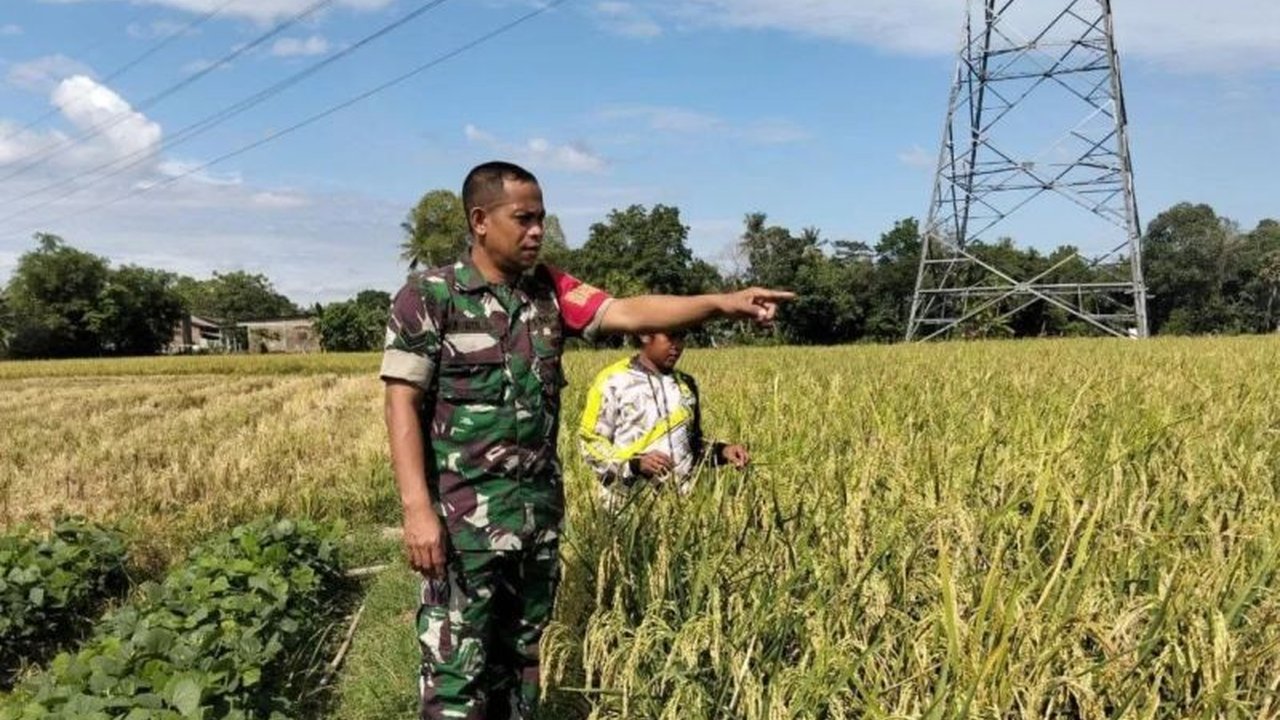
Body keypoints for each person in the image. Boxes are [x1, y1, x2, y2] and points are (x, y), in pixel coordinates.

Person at [380, 160, 792, 720]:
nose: (536, 232)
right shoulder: (430, 297)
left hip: (536, 523)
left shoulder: (550, 290)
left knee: (522, 669)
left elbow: (627, 310)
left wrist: (722, 303)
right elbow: (401, 400)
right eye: (523, 219)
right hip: (461, 527)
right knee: (456, 679)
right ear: (479, 220)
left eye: (541, 220)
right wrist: (416, 510)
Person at [579, 331, 749, 508]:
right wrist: (635, 464)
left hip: (678, 508)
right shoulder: (612, 381)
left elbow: (690, 447)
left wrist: (722, 452)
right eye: (670, 337)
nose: (677, 346)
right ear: (644, 335)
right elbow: (591, 446)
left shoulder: (686, 385)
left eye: (681, 337)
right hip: (624, 507)